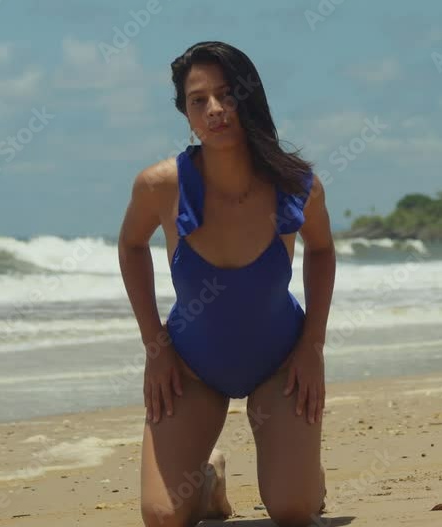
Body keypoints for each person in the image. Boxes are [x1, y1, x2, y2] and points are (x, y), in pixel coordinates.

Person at [117, 41, 337, 527]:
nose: (215, 109)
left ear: (248, 97)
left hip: (281, 365)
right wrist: (155, 345)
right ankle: (209, 480)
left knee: (294, 511)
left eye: (227, 95)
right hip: (192, 369)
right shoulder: (161, 186)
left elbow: (322, 250)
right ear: (186, 112)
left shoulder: (295, 185)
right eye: (199, 100)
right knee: (162, 517)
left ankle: (307, 478)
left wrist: (313, 346)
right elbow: (131, 245)